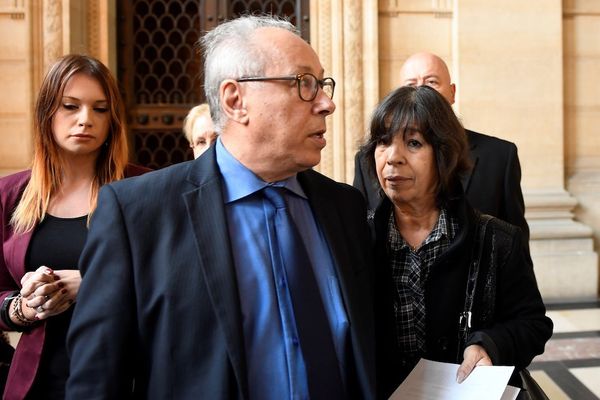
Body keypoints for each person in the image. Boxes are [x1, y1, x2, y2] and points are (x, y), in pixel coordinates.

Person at [66, 15, 375, 399]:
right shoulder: (137, 215)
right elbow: (95, 381)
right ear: (235, 100)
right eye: (304, 84)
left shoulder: (344, 207)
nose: (327, 103)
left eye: (323, 84)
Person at [359, 85, 552, 398]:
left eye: (413, 143)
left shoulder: (496, 240)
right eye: (383, 142)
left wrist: (490, 344)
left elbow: (532, 324)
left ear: (444, 155)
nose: (393, 158)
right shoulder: (356, 241)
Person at [0, 54, 149, 400]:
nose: (85, 120)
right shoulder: (10, 195)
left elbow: (176, 286)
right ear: (46, 113)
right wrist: (23, 305)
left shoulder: (145, 190)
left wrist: (98, 284)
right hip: (37, 381)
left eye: (99, 109)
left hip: (127, 378)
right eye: (70, 106)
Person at [354, 52, 530, 243]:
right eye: (411, 85)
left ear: (452, 92)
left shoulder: (499, 156)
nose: (421, 92)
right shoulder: (369, 159)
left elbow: (515, 245)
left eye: (431, 82)